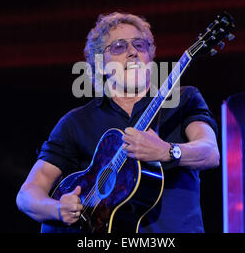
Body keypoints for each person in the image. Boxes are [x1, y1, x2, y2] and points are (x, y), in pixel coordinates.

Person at [16, 12, 220, 233]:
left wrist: (168, 152)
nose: (133, 52)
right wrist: (58, 209)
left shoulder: (183, 99)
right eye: (119, 47)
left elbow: (210, 152)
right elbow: (28, 195)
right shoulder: (76, 122)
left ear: (150, 57)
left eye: (140, 45)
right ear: (100, 65)